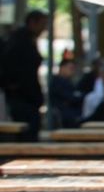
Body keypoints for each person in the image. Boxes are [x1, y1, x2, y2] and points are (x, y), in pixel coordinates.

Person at [0, 10, 48, 140]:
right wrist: (12, 84)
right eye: (42, 24)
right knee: (26, 135)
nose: (44, 28)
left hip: (26, 96)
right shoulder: (19, 40)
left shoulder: (22, 38)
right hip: (22, 97)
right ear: (32, 22)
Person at [48, 51, 82, 128]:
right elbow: (71, 97)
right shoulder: (58, 82)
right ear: (62, 68)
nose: (72, 71)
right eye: (70, 68)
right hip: (66, 118)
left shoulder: (65, 81)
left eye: (73, 69)